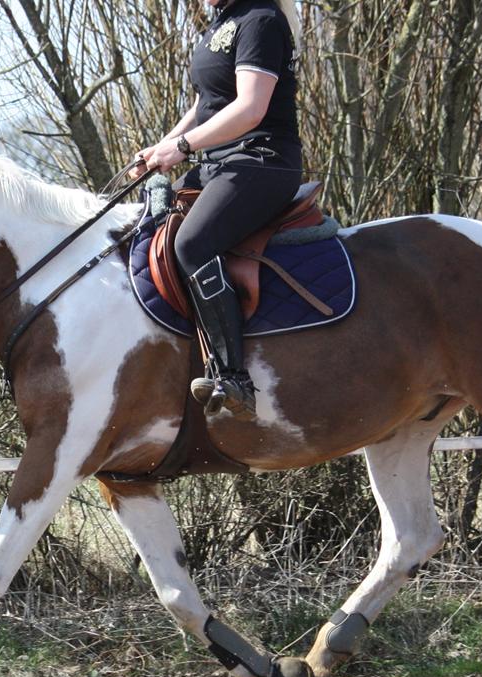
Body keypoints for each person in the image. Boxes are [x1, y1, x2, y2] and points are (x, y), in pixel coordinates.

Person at [134, 0, 303, 417]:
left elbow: (249, 107)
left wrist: (183, 147)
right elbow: (207, 103)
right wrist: (164, 145)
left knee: (192, 243)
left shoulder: (261, 20)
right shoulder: (222, 22)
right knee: (152, 226)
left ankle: (232, 376)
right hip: (217, 163)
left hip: (261, 160)